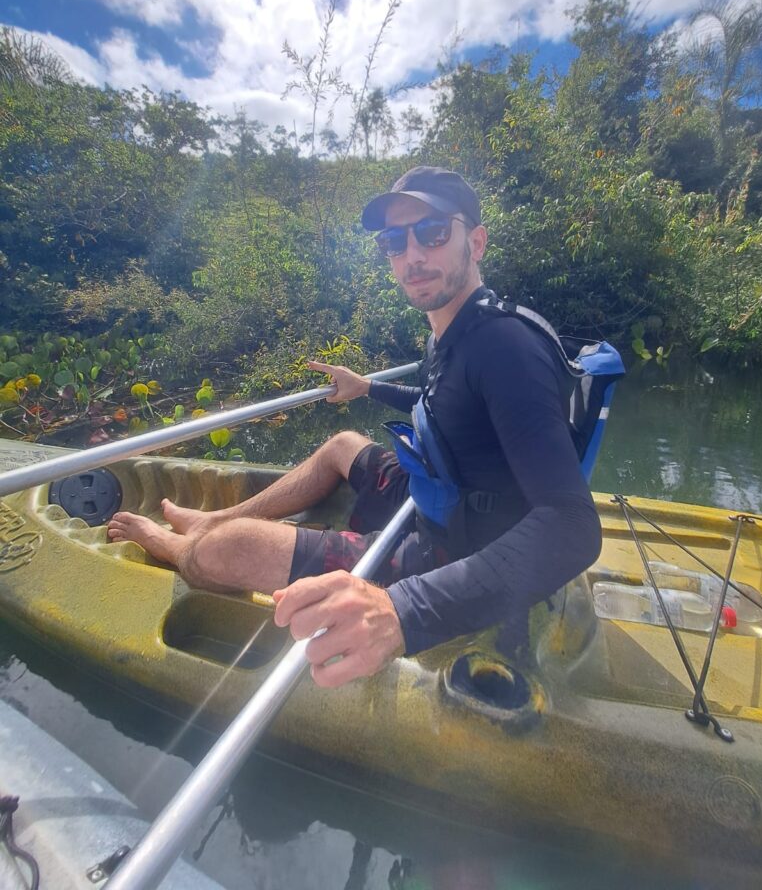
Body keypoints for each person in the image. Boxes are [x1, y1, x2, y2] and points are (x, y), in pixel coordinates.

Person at [108, 166, 601, 687]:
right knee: (343, 443)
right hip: (440, 496)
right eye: (394, 241)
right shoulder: (453, 330)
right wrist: (367, 387)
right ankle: (214, 517)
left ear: (475, 242)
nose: (412, 255)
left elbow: (572, 525)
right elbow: (441, 403)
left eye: (433, 232)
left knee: (225, 550)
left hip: (455, 551)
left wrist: (404, 610)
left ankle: (184, 544)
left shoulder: (504, 348)